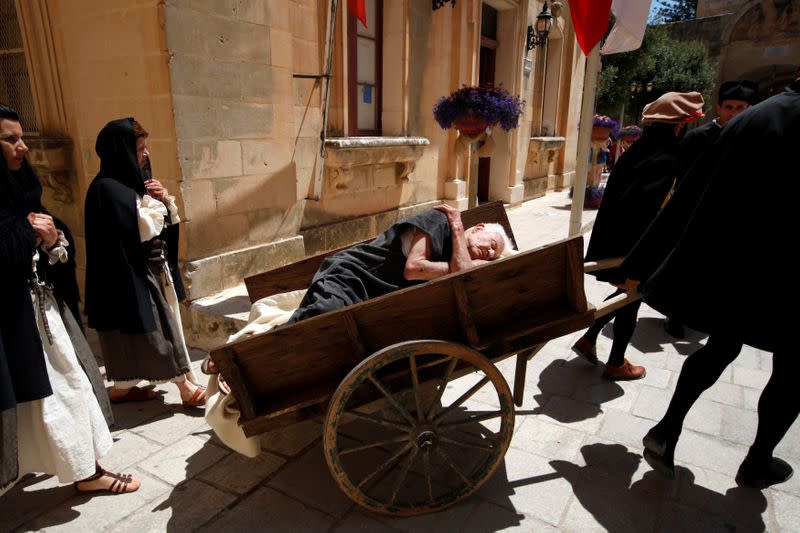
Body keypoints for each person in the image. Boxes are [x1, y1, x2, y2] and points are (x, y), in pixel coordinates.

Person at [619, 76, 799, 489]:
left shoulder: (751, 120)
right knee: (791, 371)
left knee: (720, 348)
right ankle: (757, 460)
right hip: (785, 276)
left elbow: (688, 197)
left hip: (730, 269)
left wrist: (642, 262)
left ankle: (666, 430)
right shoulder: (751, 121)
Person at [0, 104, 139, 495]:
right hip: (16, 323)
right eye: (11, 139)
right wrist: (28, 234)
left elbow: (51, 240)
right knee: (61, 393)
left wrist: (48, 237)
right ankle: (85, 472)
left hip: (40, 313)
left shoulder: (22, 194)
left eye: (22, 137)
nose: (23, 147)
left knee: (70, 387)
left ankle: (85, 469)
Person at [571, 91, 705, 381]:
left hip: (618, 241)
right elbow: (656, 209)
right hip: (638, 246)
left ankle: (590, 339)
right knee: (632, 297)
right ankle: (615, 362)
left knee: (627, 295)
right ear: (679, 124)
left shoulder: (637, 151)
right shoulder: (668, 158)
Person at [84, 118, 206, 407]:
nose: (146, 154)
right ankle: (185, 386)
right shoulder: (107, 190)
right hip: (129, 279)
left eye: (146, 148)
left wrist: (162, 200)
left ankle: (123, 390)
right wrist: (157, 205)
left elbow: (159, 229)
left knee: (158, 329)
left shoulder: (127, 186)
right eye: (139, 148)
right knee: (157, 331)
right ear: (122, 152)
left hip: (149, 272)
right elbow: (141, 231)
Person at [284, 203, 515, 325]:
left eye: (494, 254)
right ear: (479, 227)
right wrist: (456, 225)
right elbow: (415, 269)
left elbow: (462, 271)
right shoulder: (440, 220)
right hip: (348, 275)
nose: (489, 251)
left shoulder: (455, 258)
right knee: (322, 319)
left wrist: (464, 266)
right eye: (492, 243)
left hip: (368, 295)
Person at [661, 79, 759, 339]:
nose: (735, 113)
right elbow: (680, 177)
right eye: (730, 107)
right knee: (686, 265)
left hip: (731, 217)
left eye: (741, 107)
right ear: (719, 108)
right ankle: (675, 315)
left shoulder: (755, 138)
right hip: (694, 213)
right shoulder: (698, 137)